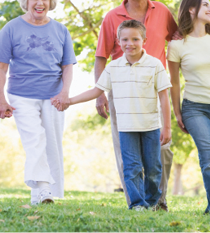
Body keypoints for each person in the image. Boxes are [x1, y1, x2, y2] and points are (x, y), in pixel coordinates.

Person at [53, 20, 171, 210]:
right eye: (124, 39)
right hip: (126, 127)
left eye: (135, 39)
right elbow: (96, 91)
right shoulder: (113, 67)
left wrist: (166, 127)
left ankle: (152, 202)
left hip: (150, 125)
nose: (129, 43)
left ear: (144, 40)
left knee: (153, 169)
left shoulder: (155, 65)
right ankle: (138, 204)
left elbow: (164, 97)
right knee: (131, 168)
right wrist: (69, 100)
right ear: (118, 41)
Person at [95, 0, 177, 211]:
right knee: (127, 152)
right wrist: (100, 94)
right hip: (123, 93)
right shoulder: (112, 17)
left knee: (162, 149)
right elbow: (101, 57)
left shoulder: (162, 11)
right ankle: (136, 202)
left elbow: (181, 39)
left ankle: (158, 199)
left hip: (155, 91)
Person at [0, 0, 77, 205]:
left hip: (54, 95)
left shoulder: (61, 30)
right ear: (26, 1)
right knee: (34, 140)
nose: (40, 3)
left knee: (52, 142)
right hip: (21, 94)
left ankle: (39, 193)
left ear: (51, 1)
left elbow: (67, 66)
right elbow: (1, 66)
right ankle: (45, 189)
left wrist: (65, 92)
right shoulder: (12, 28)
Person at [168, 0, 210, 216]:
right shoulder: (177, 44)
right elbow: (175, 82)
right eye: (206, 5)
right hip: (195, 108)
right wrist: (177, 112)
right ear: (191, 10)